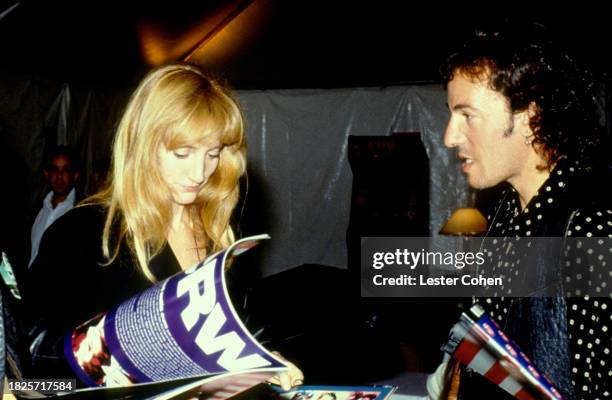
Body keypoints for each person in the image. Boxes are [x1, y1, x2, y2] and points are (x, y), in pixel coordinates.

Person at [25, 63, 302, 389]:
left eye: (212, 154)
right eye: (182, 153)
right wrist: (117, 353)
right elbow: (32, 358)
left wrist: (265, 358)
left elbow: (241, 327)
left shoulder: (219, 230)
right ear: (143, 145)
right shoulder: (82, 232)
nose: (200, 173)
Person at [433, 22, 611, 399]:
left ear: (530, 117)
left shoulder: (590, 229)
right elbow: (487, 354)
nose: (450, 136)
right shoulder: (503, 213)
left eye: (467, 115)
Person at [29, 146, 80, 267]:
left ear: (75, 175)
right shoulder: (36, 210)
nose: (59, 176)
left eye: (66, 170)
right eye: (55, 170)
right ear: (46, 174)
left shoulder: (80, 211)